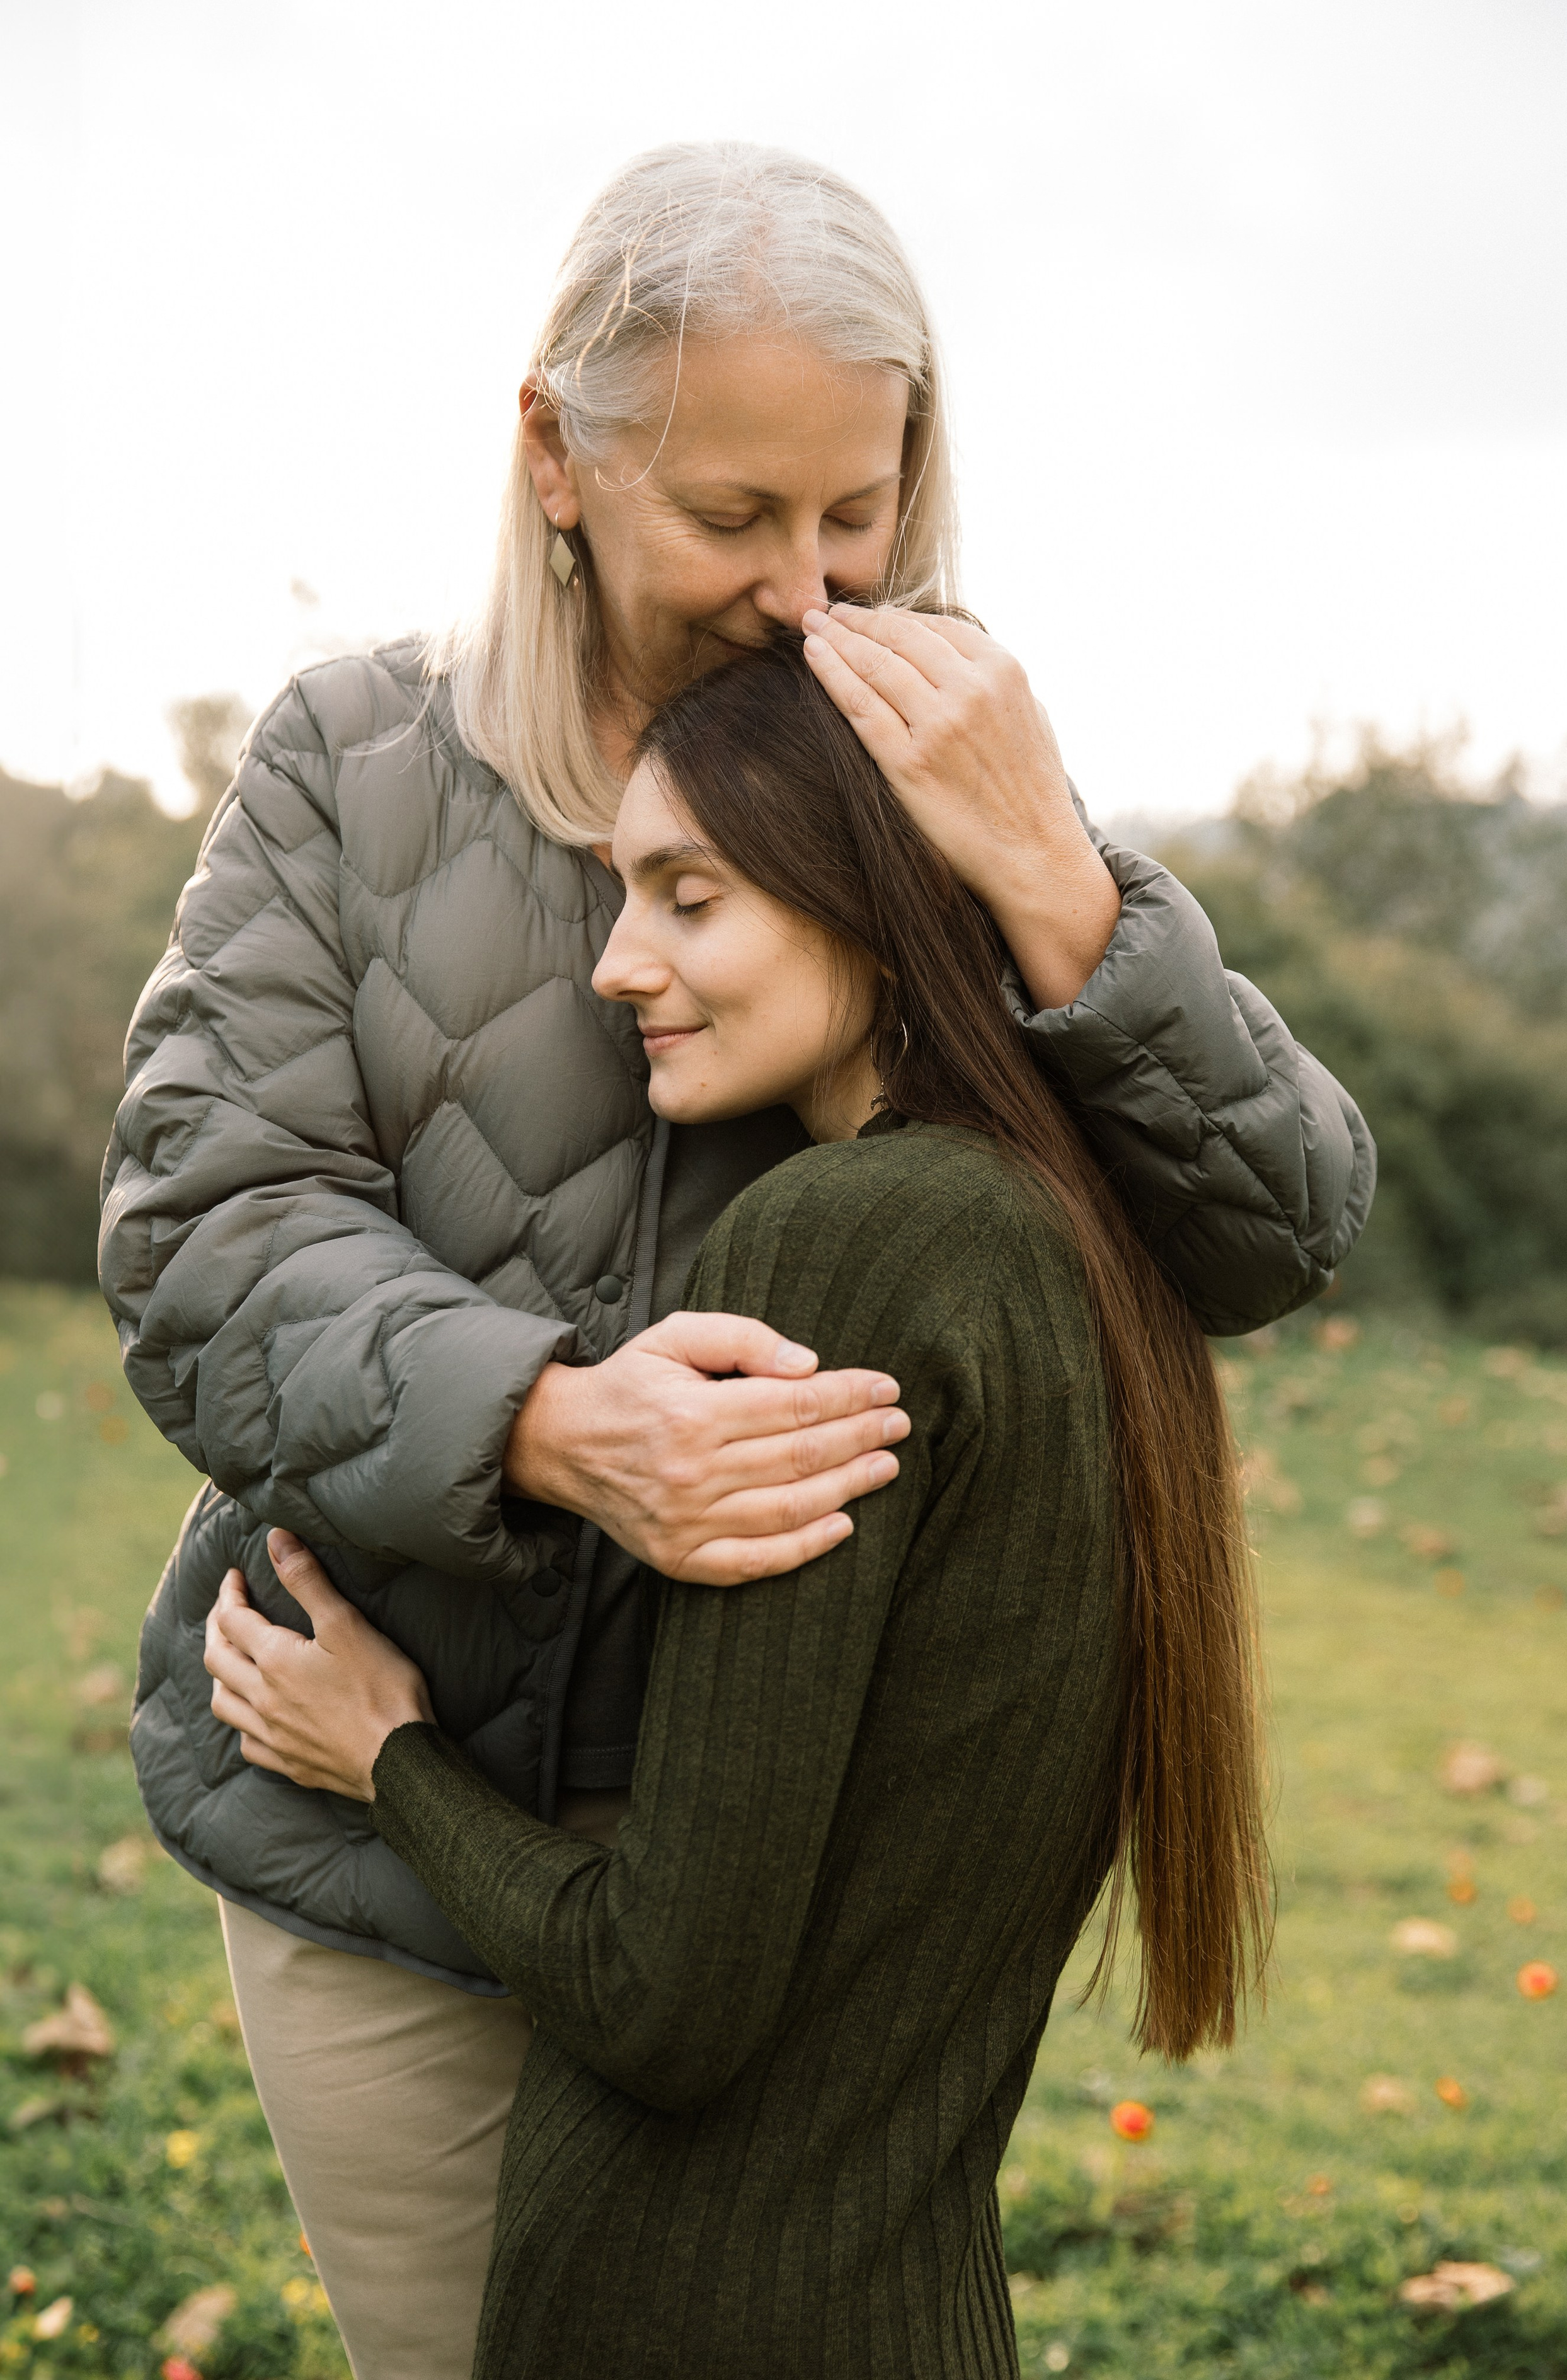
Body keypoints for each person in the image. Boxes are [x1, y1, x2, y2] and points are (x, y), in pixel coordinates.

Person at [103, 144, 1370, 2378]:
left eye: (856, 513)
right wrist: (549, 1425)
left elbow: (1279, 1223)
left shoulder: (926, 764)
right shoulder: (352, 764)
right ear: (556, 458)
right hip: (380, 1821)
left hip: (783, 1891)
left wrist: (1058, 881)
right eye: (732, 517)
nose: (810, 588)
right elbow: (207, 1238)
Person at [204, 634, 1271, 2379]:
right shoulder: (1076, 1237)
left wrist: (380, 1745)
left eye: (688, 898)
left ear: (870, 891)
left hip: (678, 2304)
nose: (621, 963)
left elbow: (664, 1996)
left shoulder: (837, 1242)